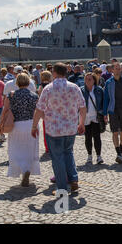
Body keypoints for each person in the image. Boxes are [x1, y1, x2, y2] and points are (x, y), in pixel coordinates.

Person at [32, 63, 86, 195]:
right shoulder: (74, 87)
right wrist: (82, 123)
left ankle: (62, 187)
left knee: (57, 158)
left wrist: (34, 126)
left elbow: (39, 109)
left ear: (54, 73)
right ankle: (73, 180)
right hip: (70, 128)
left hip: (54, 128)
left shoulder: (49, 89)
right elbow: (83, 107)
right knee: (68, 153)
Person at [0, 74, 40, 187]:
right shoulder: (34, 96)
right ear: (28, 82)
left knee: (16, 149)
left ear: (17, 83)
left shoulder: (11, 95)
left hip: (16, 125)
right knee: (30, 149)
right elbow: (38, 112)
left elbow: (5, 110)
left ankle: (22, 169)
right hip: (31, 124)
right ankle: (27, 169)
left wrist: (1, 124)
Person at [81, 73, 104, 165]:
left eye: (89, 79)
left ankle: (99, 156)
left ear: (94, 80)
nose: (87, 81)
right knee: (87, 137)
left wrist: (104, 114)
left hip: (96, 116)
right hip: (85, 117)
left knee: (97, 137)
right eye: (86, 79)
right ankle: (89, 156)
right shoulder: (81, 90)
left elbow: (103, 102)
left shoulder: (99, 90)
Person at [37, 71, 53, 153]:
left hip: (45, 110)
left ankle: (48, 147)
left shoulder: (40, 87)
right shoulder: (52, 86)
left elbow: (40, 99)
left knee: (45, 130)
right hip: (53, 109)